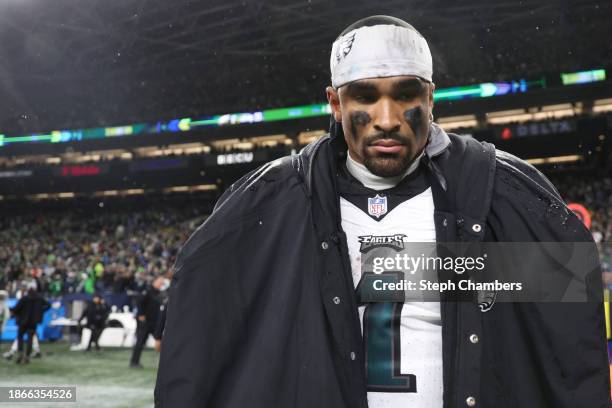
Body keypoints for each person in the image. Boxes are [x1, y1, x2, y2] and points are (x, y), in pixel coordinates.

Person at [155, 15, 610, 408]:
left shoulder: (499, 195)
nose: (387, 118)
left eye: (406, 95)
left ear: (430, 98)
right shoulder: (274, 204)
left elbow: (565, 345)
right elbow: (204, 330)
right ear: (335, 103)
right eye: (365, 97)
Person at [10, 282, 50, 364]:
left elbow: (16, 309)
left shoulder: (25, 298)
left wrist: (12, 311)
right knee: (30, 339)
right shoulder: (39, 298)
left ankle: (20, 353)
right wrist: (40, 312)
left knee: (20, 338)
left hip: (23, 322)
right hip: (33, 322)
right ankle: (27, 355)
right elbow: (48, 305)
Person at [130, 275, 164, 368]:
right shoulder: (147, 290)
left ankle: (166, 363)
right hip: (145, 322)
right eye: (160, 282)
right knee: (140, 343)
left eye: (162, 282)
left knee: (161, 341)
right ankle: (134, 362)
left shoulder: (159, 293)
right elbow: (138, 302)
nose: (161, 284)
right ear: (155, 281)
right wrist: (140, 315)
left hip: (154, 323)